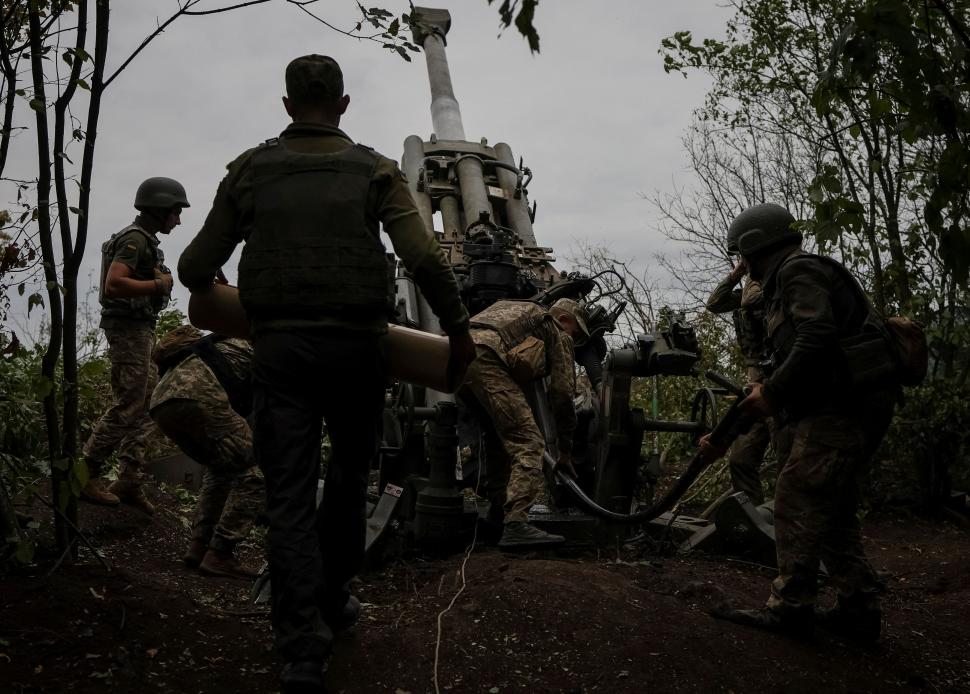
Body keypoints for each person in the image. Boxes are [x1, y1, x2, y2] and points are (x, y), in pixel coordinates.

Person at [177, 55, 474, 692]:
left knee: (287, 494)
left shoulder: (250, 171)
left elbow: (196, 263)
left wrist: (213, 291)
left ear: (287, 106)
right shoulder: (375, 169)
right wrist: (456, 331)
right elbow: (421, 254)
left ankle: (301, 652)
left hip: (282, 355)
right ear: (343, 105)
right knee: (346, 483)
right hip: (357, 354)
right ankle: (334, 599)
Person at [710, 203, 898, 642]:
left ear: (755, 246)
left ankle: (791, 608)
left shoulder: (798, 272)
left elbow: (816, 337)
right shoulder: (787, 280)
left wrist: (772, 393)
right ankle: (859, 609)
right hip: (842, 406)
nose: (742, 264)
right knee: (832, 509)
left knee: (795, 500)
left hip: (844, 409)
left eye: (742, 254)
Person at [81, 177, 190, 514]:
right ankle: (84, 473)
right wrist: (158, 283)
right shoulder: (133, 240)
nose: (179, 219)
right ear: (160, 210)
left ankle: (128, 479)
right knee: (129, 403)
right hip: (127, 330)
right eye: (176, 212)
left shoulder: (144, 241)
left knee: (146, 402)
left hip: (140, 329)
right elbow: (114, 285)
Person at [463, 297, 589, 549]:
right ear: (564, 319)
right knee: (529, 441)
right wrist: (565, 450)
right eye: (575, 333)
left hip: (457, 354)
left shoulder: (514, 309)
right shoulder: (556, 330)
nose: (572, 340)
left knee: (497, 440)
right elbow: (563, 394)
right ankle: (517, 524)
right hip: (488, 359)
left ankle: (497, 517)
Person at [149, 325, 263, 580]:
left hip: (162, 403)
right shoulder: (263, 346)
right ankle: (220, 553)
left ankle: (199, 545)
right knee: (256, 471)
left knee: (220, 467)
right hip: (198, 394)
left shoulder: (224, 340)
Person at [706, 255, 779, 505]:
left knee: (788, 457)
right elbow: (714, 304)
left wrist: (750, 273)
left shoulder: (772, 289)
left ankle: (789, 519)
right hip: (754, 382)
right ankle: (755, 518)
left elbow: (750, 299)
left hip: (777, 382)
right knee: (740, 459)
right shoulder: (750, 289)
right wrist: (736, 274)